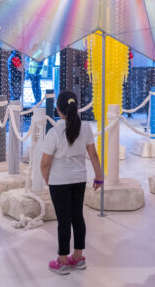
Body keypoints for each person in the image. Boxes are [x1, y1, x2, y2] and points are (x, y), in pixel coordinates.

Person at [40, 90, 103, 275]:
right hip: (79, 179)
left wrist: (47, 178)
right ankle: (77, 257)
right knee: (77, 216)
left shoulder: (55, 132)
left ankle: (62, 260)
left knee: (63, 220)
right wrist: (99, 176)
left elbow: (44, 162)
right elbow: (93, 154)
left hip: (59, 181)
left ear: (58, 110)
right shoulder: (85, 127)